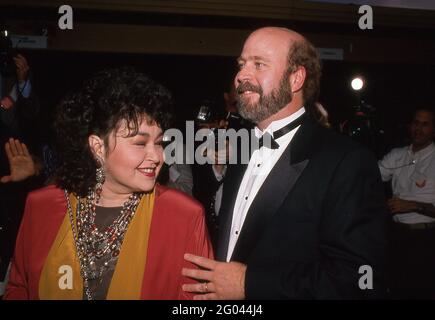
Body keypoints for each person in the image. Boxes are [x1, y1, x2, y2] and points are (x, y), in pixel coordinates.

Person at [181, 27, 388, 299]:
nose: (241, 75)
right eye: (241, 65)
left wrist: (249, 283)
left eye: (259, 64)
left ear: (295, 78)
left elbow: (359, 280)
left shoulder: (347, 162)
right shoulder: (241, 149)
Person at [4, 67, 212, 300]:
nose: (157, 156)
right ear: (97, 147)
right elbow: (19, 288)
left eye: (159, 143)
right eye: (140, 143)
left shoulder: (183, 216)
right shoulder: (41, 206)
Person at [378, 108, 435, 299]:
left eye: (425, 124)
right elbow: (369, 177)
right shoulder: (397, 155)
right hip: (396, 235)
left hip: (426, 239)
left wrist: (413, 205)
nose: (418, 128)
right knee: (394, 287)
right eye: (416, 123)